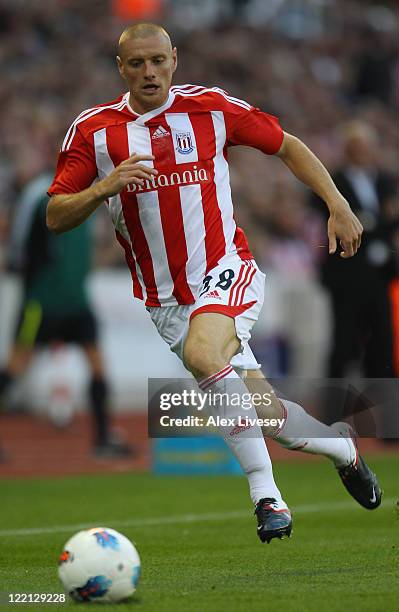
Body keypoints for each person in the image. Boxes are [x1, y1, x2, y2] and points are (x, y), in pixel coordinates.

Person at [46, 23, 381, 544]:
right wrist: (103, 187)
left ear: (174, 59)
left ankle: (266, 496)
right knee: (270, 418)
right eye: (136, 64)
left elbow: (287, 145)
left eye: (157, 60)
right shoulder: (93, 131)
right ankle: (343, 447)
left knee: (206, 353)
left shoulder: (210, 108)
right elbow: (55, 214)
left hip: (227, 268)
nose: (149, 72)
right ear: (121, 69)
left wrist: (338, 204)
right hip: (167, 302)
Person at [0, 172, 133, 458]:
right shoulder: (40, 194)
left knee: (97, 365)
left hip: (76, 300)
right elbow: (19, 243)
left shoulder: (93, 193)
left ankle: (102, 438)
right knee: (16, 366)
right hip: (42, 300)